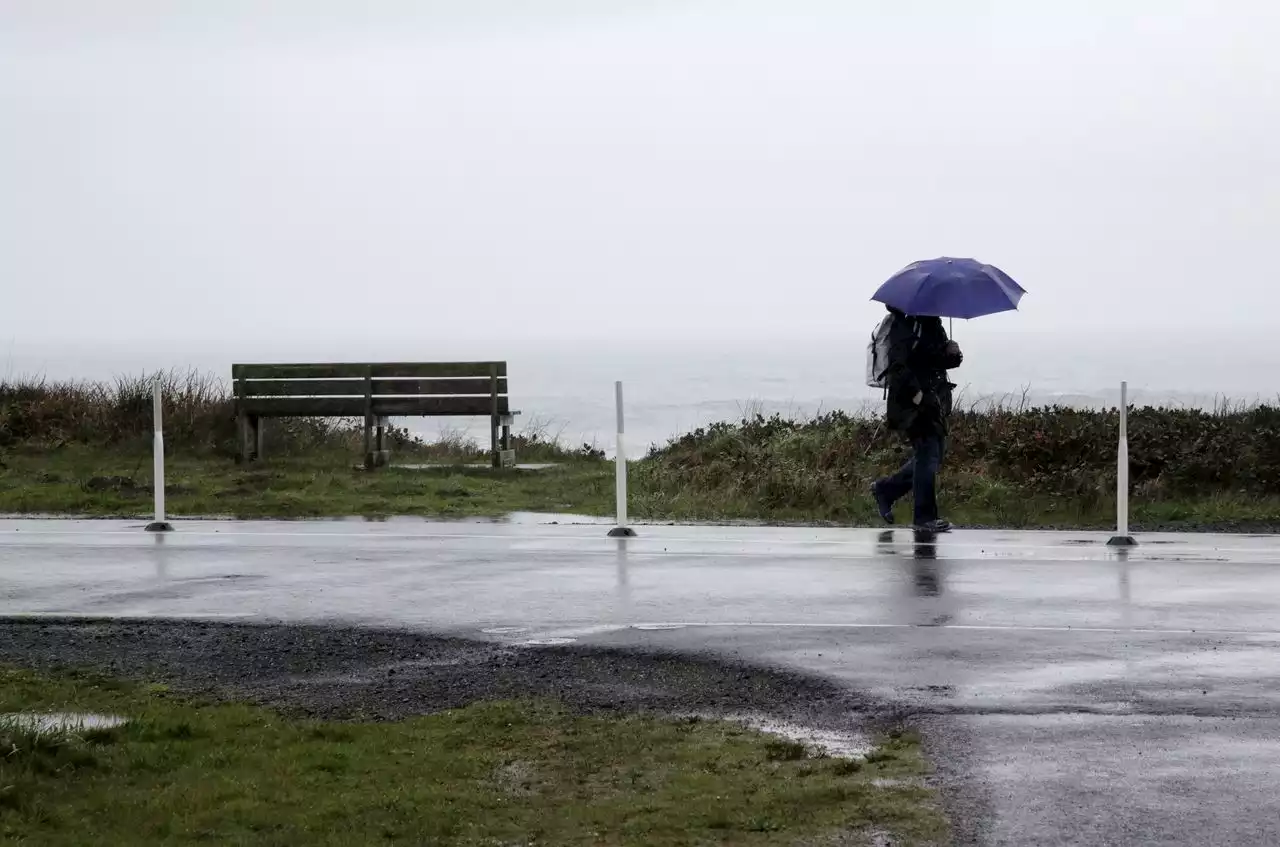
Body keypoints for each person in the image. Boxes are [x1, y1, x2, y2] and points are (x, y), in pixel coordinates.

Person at [870, 306, 963, 533]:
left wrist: (952, 355)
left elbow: (934, 359)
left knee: (934, 454)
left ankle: (886, 490)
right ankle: (924, 518)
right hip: (911, 402)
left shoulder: (932, 323)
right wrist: (917, 396)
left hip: (932, 399)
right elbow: (897, 367)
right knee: (928, 454)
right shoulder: (904, 325)